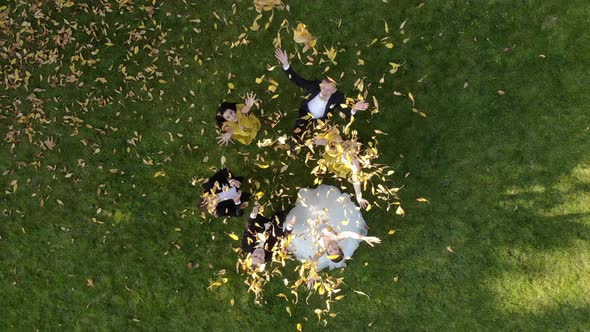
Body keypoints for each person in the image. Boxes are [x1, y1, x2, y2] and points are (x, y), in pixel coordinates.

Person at [274, 48, 369, 147]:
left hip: (320, 120)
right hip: (306, 111)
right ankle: (294, 145)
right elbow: (297, 80)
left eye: (328, 90)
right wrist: (286, 64)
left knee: (319, 137)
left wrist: (354, 108)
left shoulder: (337, 97)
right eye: (323, 88)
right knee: (297, 133)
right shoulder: (314, 86)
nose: (324, 92)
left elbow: (347, 112)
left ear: (334, 90)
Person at [283, 185, 380, 272]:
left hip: (311, 225)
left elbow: (315, 259)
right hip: (326, 217)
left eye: (329, 251)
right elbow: (350, 234)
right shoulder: (337, 237)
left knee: (295, 228)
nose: (330, 247)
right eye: (334, 248)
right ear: (339, 247)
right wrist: (364, 238)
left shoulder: (321, 249)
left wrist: (312, 274)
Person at [312, 126, 374, 208]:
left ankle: (326, 143)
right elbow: (334, 144)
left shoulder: (355, 167)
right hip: (340, 148)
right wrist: (321, 142)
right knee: (334, 143)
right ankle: (324, 139)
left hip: (339, 157)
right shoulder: (351, 148)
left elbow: (356, 182)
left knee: (334, 151)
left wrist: (359, 197)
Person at [242, 205, 296, 270]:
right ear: (264, 260)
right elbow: (284, 240)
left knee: (258, 218)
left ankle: (266, 217)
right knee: (280, 211)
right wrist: (289, 227)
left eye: (255, 256)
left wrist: (253, 215)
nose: (259, 254)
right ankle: (282, 213)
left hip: (260, 226)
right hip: (274, 229)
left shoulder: (247, 246)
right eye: (260, 258)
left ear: (250, 255)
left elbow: (248, 229)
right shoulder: (273, 255)